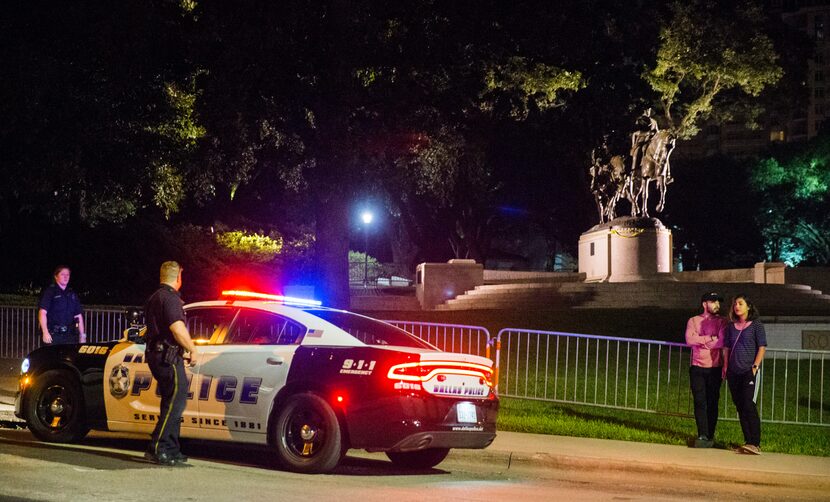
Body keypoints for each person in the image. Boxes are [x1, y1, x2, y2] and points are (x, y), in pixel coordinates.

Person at [143, 261, 198, 466]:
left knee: (173, 402)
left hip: (158, 354)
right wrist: (192, 348)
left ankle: (172, 449)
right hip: (167, 357)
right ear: (178, 278)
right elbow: (177, 328)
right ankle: (159, 447)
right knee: (175, 403)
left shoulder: (155, 297)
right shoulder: (171, 299)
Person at [723, 294, 767, 455]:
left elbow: (762, 346)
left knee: (749, 404)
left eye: (740, 303)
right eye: (735, 304)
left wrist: (754, 367)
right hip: (733, 372)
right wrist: (726, 366)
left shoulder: (756, 325)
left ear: (748, 306)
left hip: (749, 371)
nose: (737, 306)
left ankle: (755, 442)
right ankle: (747, 441)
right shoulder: (731, 326)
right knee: (740, 406)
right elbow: (726, 347)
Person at [685, 292, 727, 448]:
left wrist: (701, 341)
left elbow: (720, 342)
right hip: (697, 367)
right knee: (699, 401)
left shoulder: (723, 322)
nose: (717, 305)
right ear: (704, 304)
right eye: (713, 301)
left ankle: (710, 435)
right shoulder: (693, 320)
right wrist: (710, 338)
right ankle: (702, 434)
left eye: (718, 302)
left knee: (712, 402)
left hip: (715, 369)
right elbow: (689, 339)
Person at [38, 265, 86, 345]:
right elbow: (42, 313)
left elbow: (78, 315)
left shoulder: (72, 294)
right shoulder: (50, 292)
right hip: (53, 335)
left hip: (70, 336)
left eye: (67, 275)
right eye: (62, 274)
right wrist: (45, 332)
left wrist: (82, 335)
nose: (65, 277)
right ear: (56, 277)